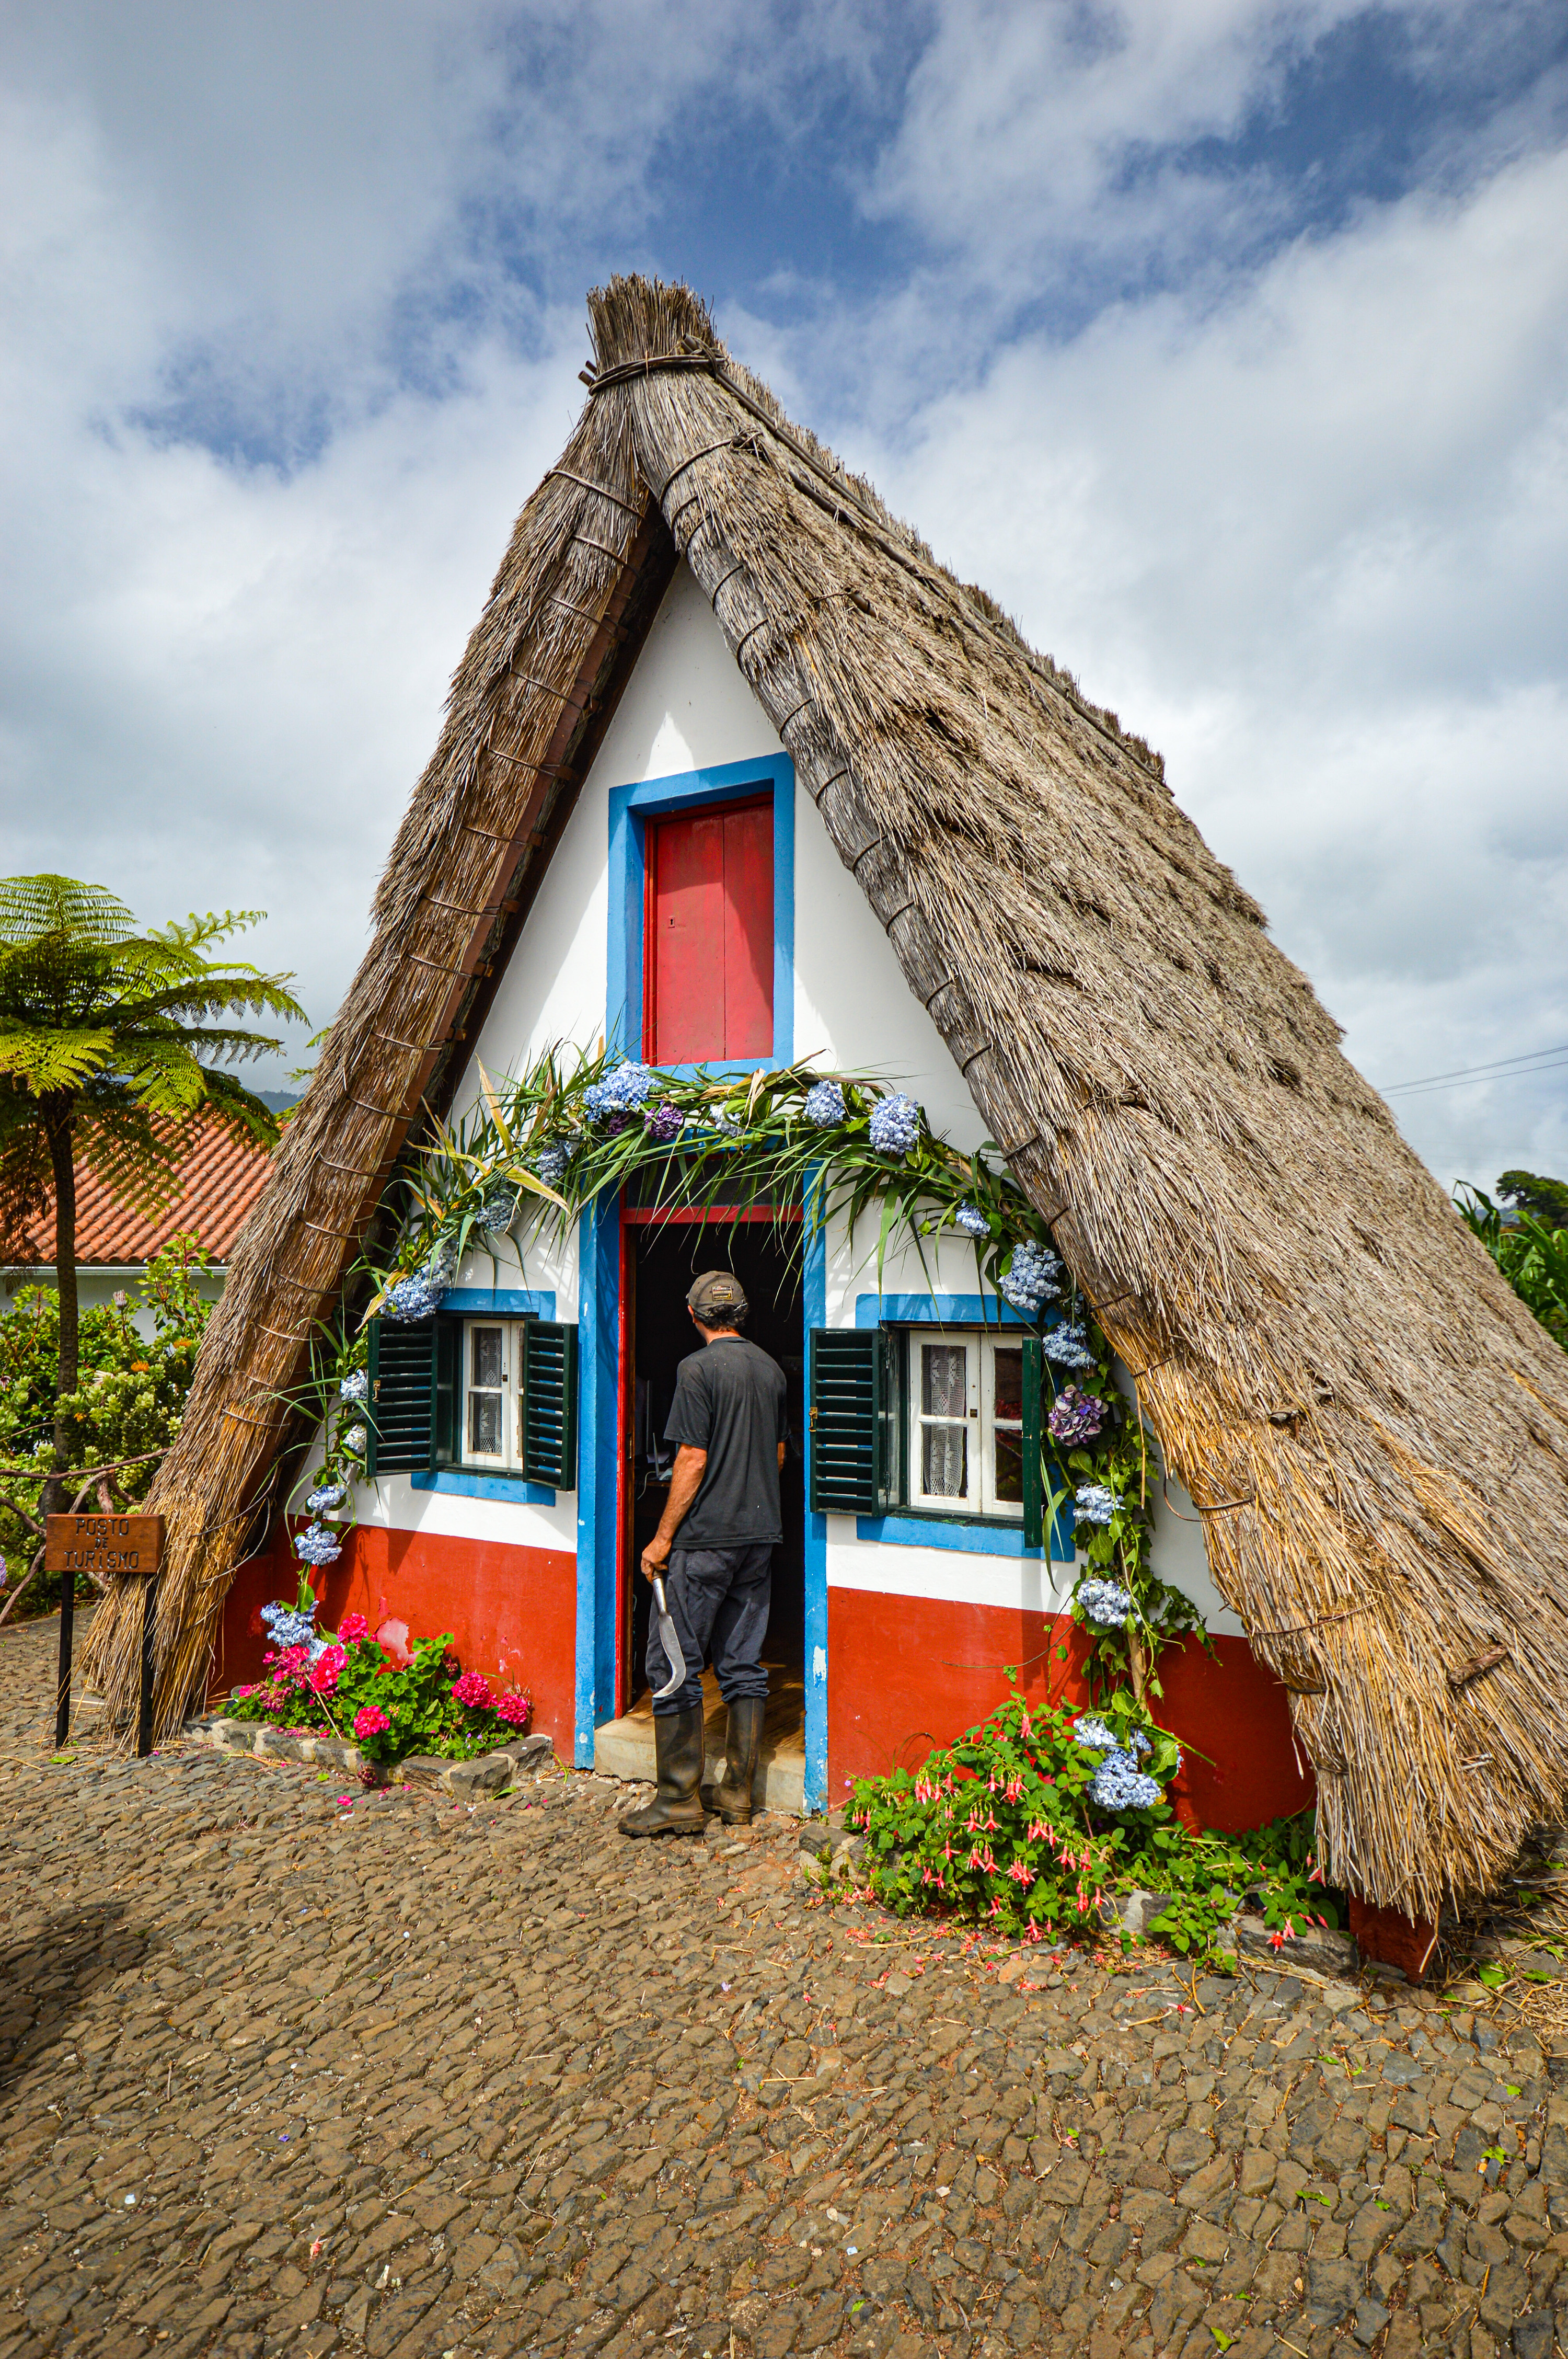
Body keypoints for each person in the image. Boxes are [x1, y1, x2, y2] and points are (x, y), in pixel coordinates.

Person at [619, 1270, 788, 1839]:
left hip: (704, 1540)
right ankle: (737, 1792)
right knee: (743, 1663)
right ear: (741, 1316)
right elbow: (780, 1454)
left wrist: (662, 1537)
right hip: (760, 1537)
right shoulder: (769, 1369)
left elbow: (691, 1459)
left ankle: (677, 1798)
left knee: (672, 1663)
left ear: (693, 1316)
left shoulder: (695, 1370)